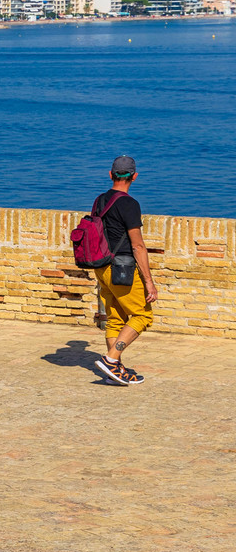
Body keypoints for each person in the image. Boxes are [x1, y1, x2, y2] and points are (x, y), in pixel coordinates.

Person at [92, 155, 157, 385]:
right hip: (122, 270)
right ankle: (111, 359)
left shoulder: (100, 200)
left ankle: (114, 372)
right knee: (143, 315)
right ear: (134, 177)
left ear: (111, 175)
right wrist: (149, 281)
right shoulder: (129, 204)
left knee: (116, 318)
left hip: (101, 268)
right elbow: (138, 245)